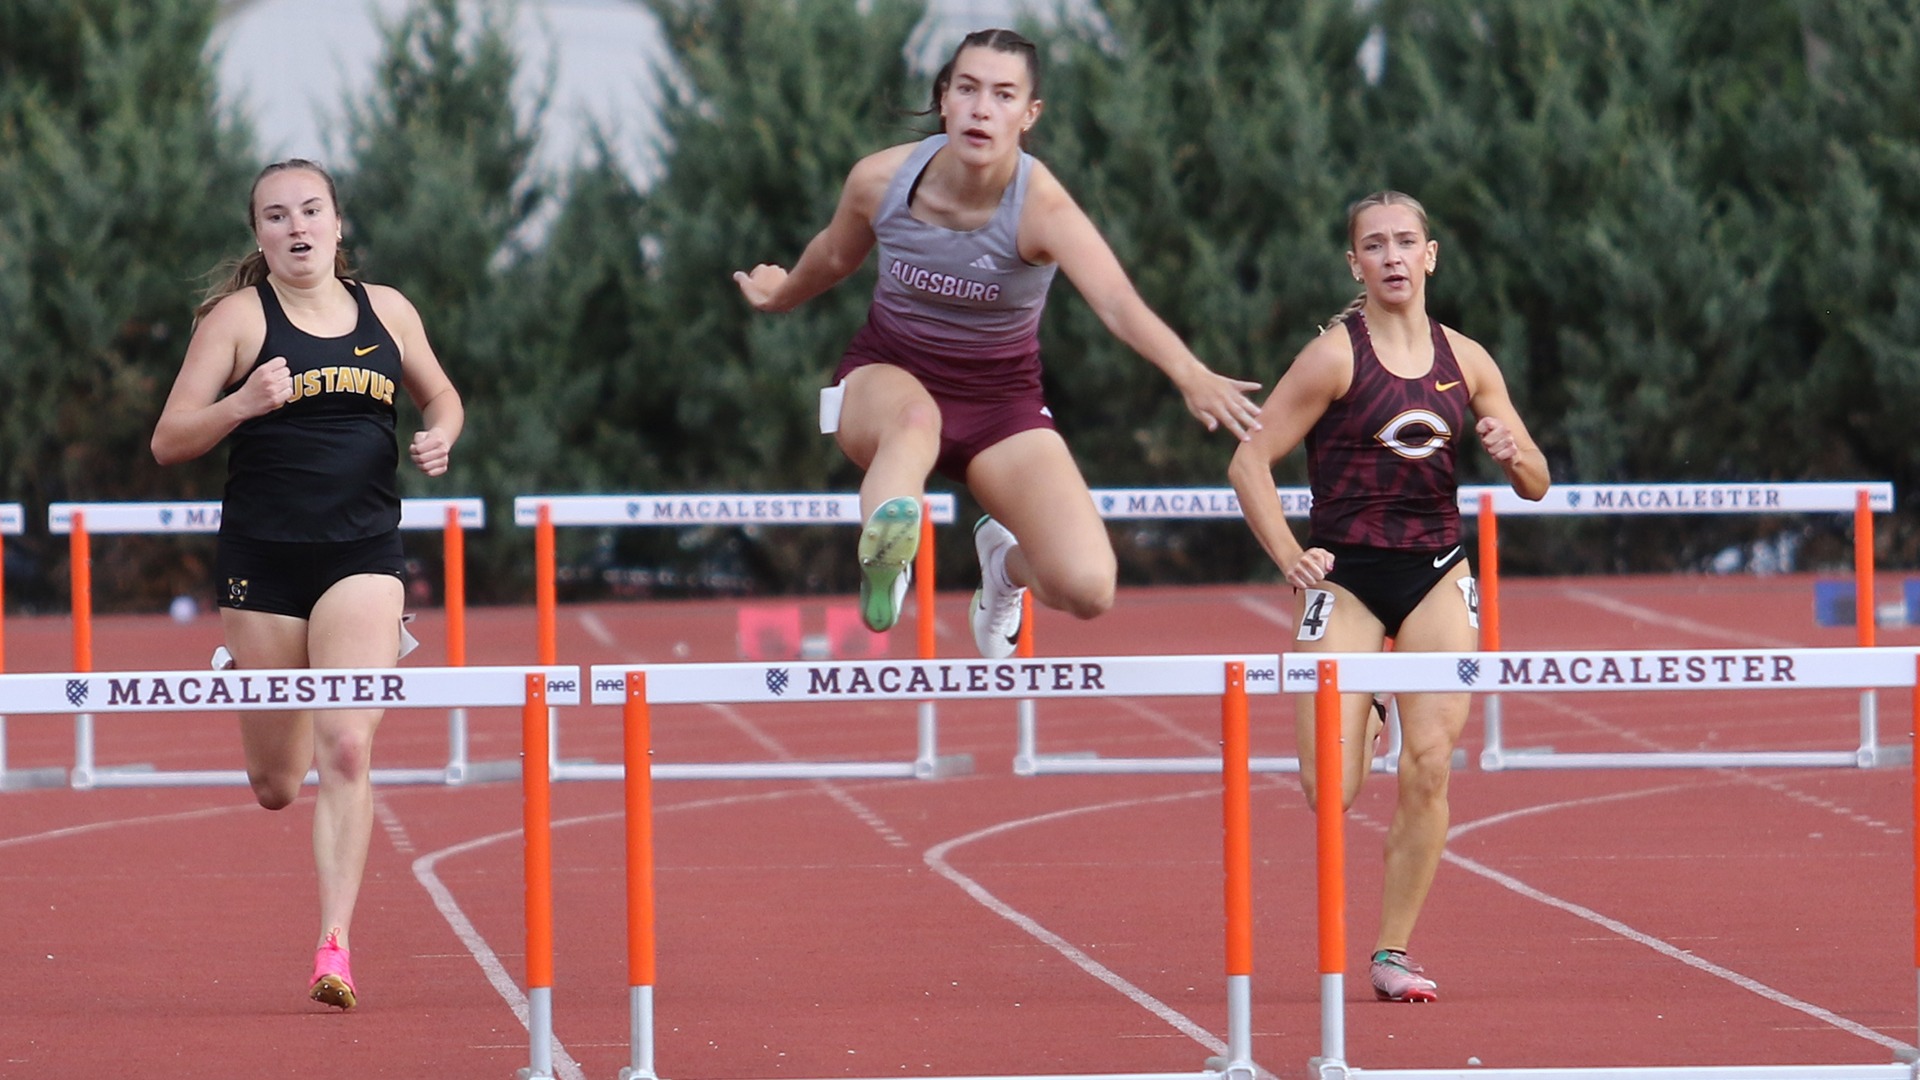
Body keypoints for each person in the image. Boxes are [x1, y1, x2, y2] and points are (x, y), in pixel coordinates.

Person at [734, 27, 1263, 656]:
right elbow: (833, 254)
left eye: (1004, 95)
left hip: (1000, 405)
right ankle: (888, 560)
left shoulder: (1041, 207)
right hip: (886, 378)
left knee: (1089, 587)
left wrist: (1189, 372)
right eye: (968, 89)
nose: (983, 108)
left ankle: (1004, 570)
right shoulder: (881, 181)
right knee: (913, 420)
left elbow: (1117, 301)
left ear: (1028, 114)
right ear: (945, 100)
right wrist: (782, 291)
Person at [151, 158, 463, 1011]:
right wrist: (242, 404)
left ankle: (335, 944)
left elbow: (443, 397)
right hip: (263, 562)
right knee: (276, 784)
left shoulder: (388, 311)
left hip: (364, 556)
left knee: (350, 746)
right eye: (277, 216)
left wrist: (440, 435)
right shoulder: (236, 320)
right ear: (259, 234)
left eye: (311, 211)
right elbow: (170, 438)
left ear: (336, 223)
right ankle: (249, 680)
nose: (297, 228)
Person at [1227, 191, 1549, 1002]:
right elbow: (1248, 462)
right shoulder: (1335, 357)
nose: (1394, 257)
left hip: (1438, 571)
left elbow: (1539, 483)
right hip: (1347, 579)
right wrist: (1288, 554)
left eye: (1407, 242)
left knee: (1431, 764)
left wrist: (1514, 455)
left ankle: (1392, 953)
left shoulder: (1468, 359)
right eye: (1376, 246)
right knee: (1326, 790)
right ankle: (1366, 701)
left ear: (1431, 255)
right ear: (1355, 264)